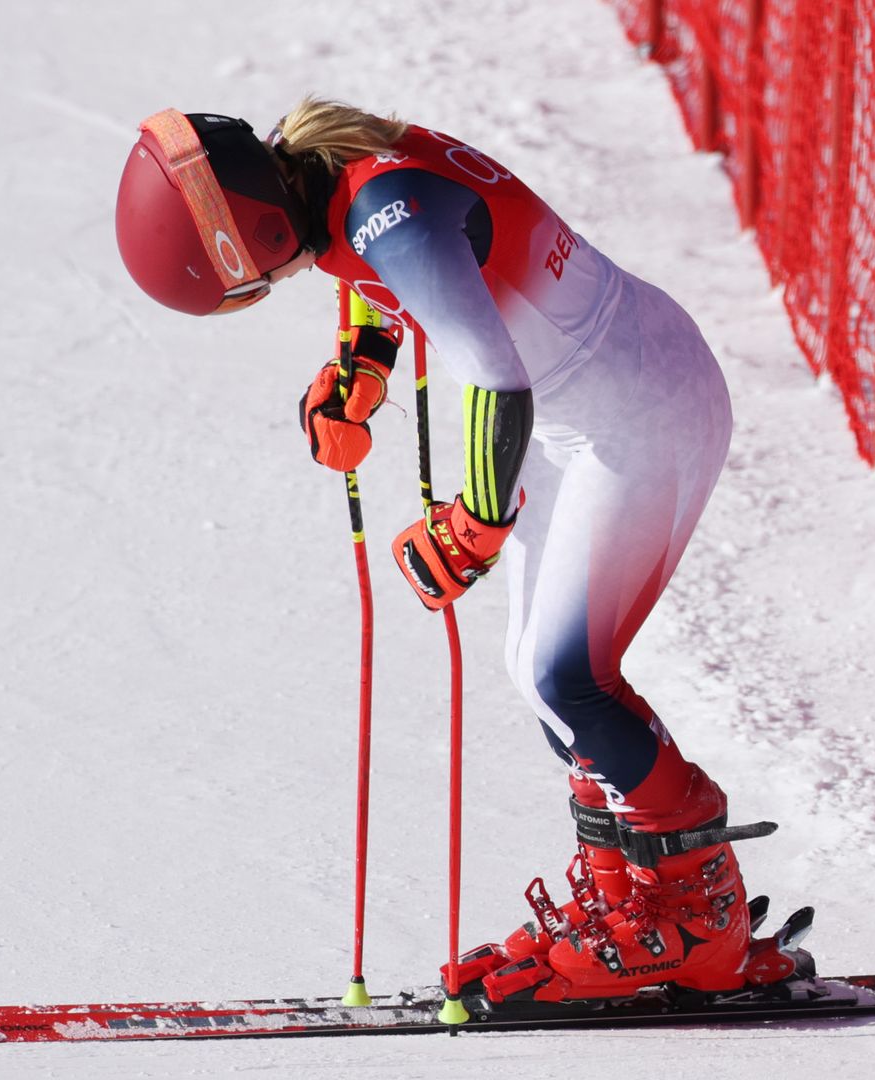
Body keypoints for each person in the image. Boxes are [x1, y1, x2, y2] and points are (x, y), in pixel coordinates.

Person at [112, 101, 798, 1003]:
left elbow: (490, 371)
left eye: (249, 279)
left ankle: (695, 924)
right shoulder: (337, 180)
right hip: (590, 413)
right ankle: (627, 898)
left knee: (570, 678)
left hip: (634, 416)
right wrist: (362, 366)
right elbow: (399, 276)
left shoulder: (378, 208)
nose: (264, 288)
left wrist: (473, 522)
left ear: (254, 233)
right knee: (541, 671)